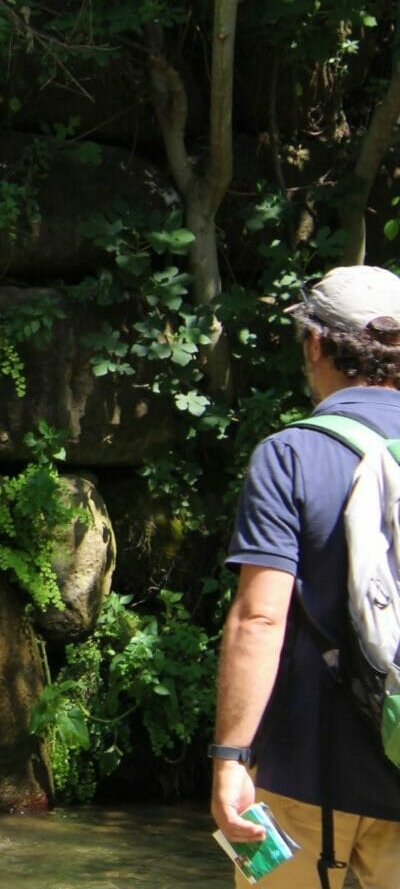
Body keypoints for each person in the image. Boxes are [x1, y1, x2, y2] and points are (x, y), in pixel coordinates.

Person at [212, 265, 400, 885]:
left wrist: (230, 759)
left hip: (304, 776)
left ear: (316, 344)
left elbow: (259, 618)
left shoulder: (290, 454)